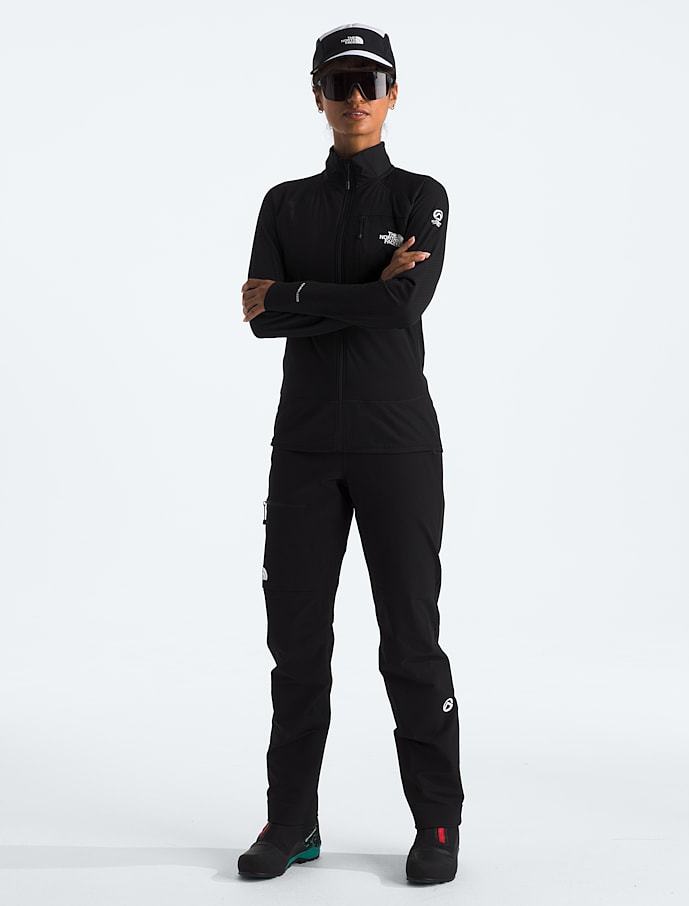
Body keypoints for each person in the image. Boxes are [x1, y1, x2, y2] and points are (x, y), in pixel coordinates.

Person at [238, 23, 464, 884]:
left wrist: (300, 294)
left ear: (393, 94)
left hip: (397, 444)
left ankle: (437, 823)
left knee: (409, 640)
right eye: (339, 83)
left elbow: (405, 304)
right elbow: (261, 318)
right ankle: (291, 821)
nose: (355, 97)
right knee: (296, 643)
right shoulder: (284, 204)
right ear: (318, 96)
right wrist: (359, 291)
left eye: (370, 82)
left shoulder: (420, 195)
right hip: (303, 447)